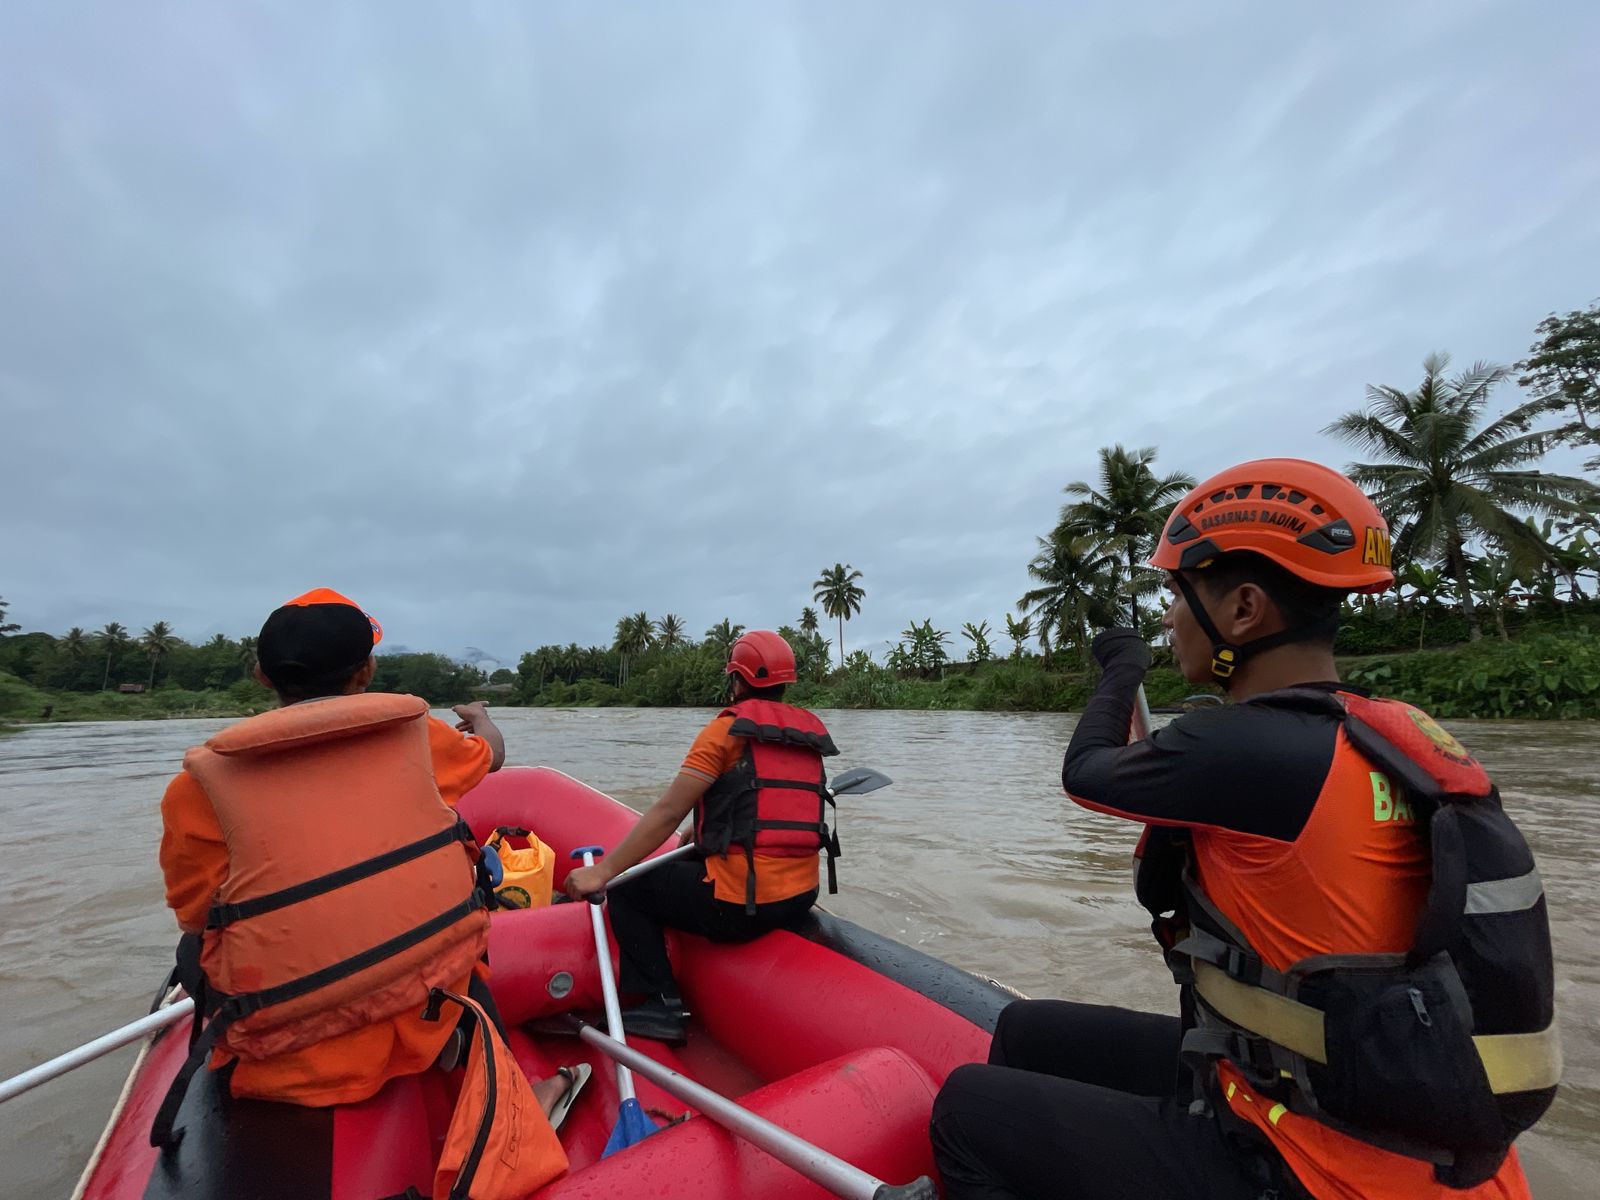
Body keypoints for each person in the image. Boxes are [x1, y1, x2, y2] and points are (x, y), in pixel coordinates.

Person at [930, 460, 1556, 1200]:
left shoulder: (1247, 745)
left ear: (1245, 610)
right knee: (1028, 1033)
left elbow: (1088, 769)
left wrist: (1121, 668)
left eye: (1178, 597)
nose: (1168, 618)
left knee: (964, 1109)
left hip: (1311, 1165)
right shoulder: (1377, 734)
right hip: (1348, 1099)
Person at [156, 587, 585, 1135]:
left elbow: (196, 915)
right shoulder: (421, 740)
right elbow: (492, 754)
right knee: (462, 926)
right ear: (367, 671)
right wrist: (480, 716)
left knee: (191, 946)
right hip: (429, 986)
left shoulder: (196, 791)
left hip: (288, 1027)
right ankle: (521, 1093)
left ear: (263, 676)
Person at [563, 629, 840, 1044]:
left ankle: (660, 1004)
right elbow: (757, 808)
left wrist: (603, 872)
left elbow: (669, 811)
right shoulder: (806, 738)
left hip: (744, 906)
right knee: (681, 863)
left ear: (736, 681)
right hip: (800, 896)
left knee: (631, 890)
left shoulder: (724, 732)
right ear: (785, 685)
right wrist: (697, 840)